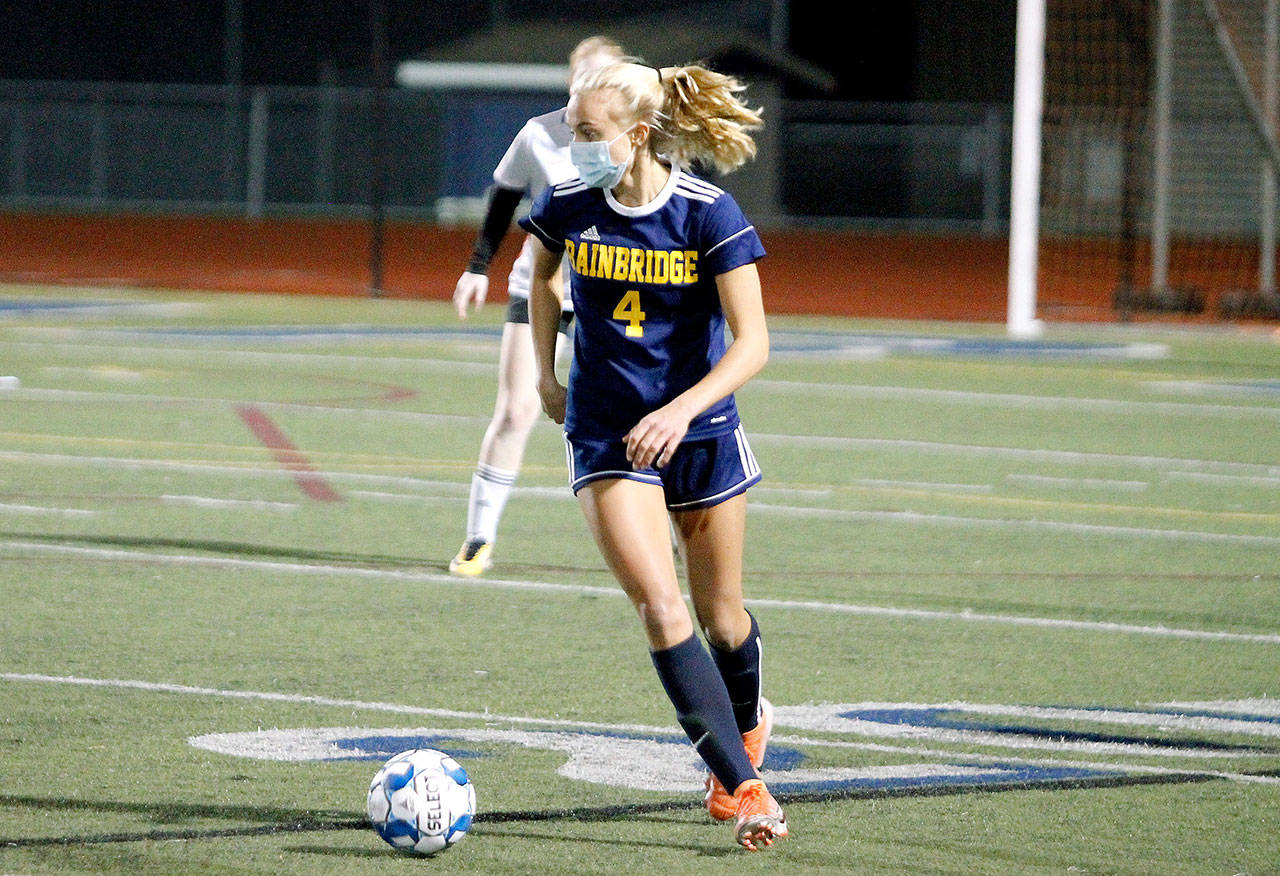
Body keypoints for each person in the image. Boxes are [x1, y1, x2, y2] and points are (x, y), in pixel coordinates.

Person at [520, 61, 786, 851]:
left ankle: (747, 723)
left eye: (588, 131)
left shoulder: (707, 213)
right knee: (661, 609)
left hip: (700, 433)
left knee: (723, 623)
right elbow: (540, 279)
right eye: (571, 128)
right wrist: (545, 373)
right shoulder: (568, 203)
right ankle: (745, 788)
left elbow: (753, 344)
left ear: (637, 135)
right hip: (608, 433)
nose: (574, 144)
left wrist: (680, 410)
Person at [449, 36, 627, 577]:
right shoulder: (539, 134)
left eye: (605, 77)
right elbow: (504, 196)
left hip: (614, 293)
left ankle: (661, 530)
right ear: (571, 81)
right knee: (516, 410)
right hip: (540, 288)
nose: (593, 86)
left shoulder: (640, 136)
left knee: (635, 412)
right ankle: (479, 537)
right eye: (585, 76)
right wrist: (477, 267)